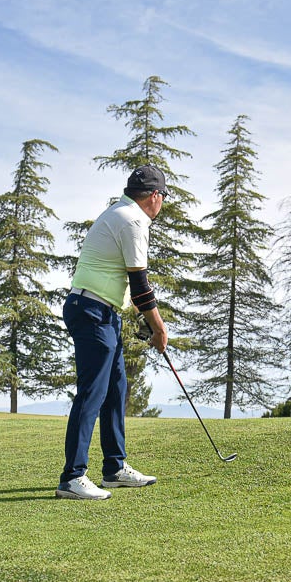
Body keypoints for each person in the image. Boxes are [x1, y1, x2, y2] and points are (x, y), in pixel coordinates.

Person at [57, 165, 170, 500]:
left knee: (115, 389)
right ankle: (72, 476)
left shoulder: (119, 212)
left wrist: (138, 317)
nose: (161, 203)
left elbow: (127, 287)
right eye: (162, 196)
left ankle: (114, 468)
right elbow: (140, 286)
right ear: (154, 197)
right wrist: (159, 328)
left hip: (100, 312)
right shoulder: (134, 220)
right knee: (92, 392)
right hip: (92, 312)